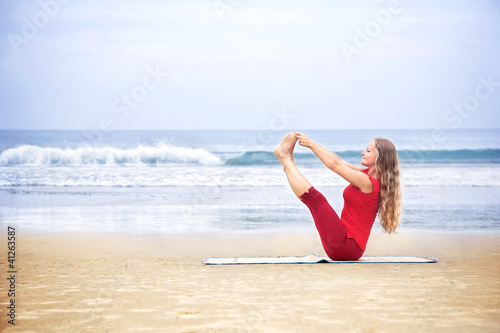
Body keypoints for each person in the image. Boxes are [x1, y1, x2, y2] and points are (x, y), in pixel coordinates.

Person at [273, 132, 402, 260]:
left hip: (346, 246)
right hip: (348, 245)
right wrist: (314, 145)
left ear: (379, 157)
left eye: (368, 151)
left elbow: (335, 166)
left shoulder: (369, 183)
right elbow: (339, 161)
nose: (363, 153)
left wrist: (311, 144)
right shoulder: (367, 175)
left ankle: (284, 157)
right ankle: (287, 157)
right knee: (316, 201)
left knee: (317, 201)